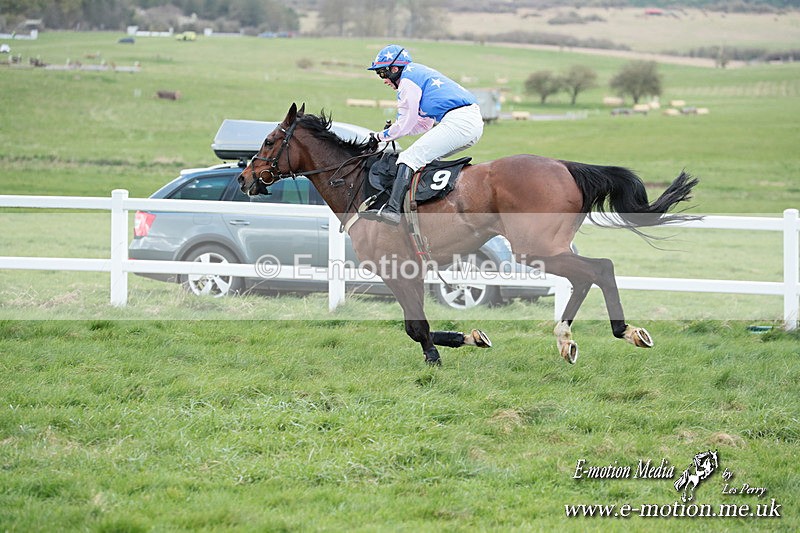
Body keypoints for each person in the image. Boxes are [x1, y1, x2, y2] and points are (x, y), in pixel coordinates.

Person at [364, 44, 483, 225]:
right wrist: (393, 133)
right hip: (469, 122)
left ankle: (393, 210)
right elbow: (422, 124)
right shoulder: (417, 74)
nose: (384, 80)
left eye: (382, 73)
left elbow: (405, 122)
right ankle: (424, 205)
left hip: (460, 121)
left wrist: (381, 136)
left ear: (395, 69)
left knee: (408, 158)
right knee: (420, 160)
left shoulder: (407, 81)